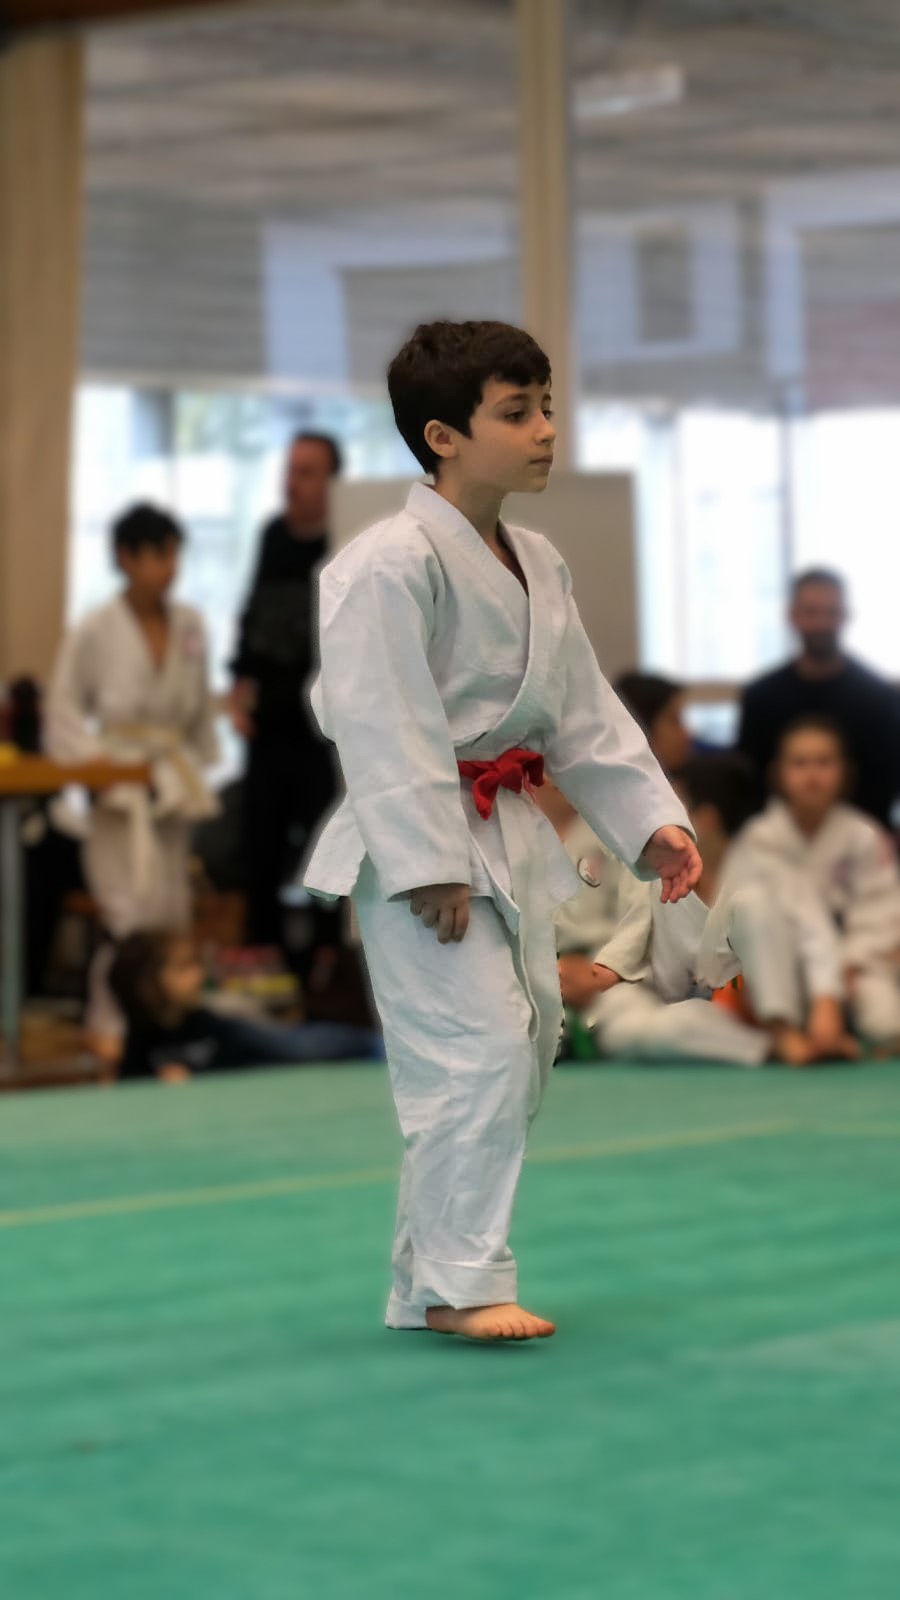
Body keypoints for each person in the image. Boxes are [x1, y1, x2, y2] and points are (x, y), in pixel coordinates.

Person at [302, 318, 701, 1343]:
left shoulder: (539, 562)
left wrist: (650, 824)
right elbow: (382, 722)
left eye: (546, 408)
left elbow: (583, 713)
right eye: (516, 413)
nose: (545, 430)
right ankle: (460, 1285)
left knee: (522, 1046)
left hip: (508, 829)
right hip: (420, 840)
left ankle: (426, 1278)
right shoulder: (384, 566)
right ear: (443, 436)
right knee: (472, 1050)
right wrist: (426, 864)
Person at [46, 504, 219, 1055]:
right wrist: (100, 766)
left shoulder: (189, 624)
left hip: (170, 781)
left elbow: (198, 711)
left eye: (174, 554)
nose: (169, 567)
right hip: (119, 787)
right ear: (126, 557)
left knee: (170, 912)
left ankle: (161, 1023)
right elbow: (62, 709)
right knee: (127, 915)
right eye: (158, 554)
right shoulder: (95, 629)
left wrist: (196, 765)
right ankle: (111, 1028)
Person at [559, 752, 857, 1067]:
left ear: (706, 818)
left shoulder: (771, 869)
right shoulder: (652, 873)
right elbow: (629, 945)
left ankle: (783, 1033)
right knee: (626, 1026)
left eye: (675, 804)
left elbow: (817, 941)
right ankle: (766, 1047)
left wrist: (826, 1008)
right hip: (694, 1013)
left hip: (776, 1001)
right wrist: (598, 974)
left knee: (753, 905)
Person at [230, 432, 342, 960]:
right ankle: (262, 960)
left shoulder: (343, 541)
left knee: (326, 852)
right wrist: (239, 687)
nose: (291, 482)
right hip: (268, 726)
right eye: (290, 469)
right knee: (260, 849)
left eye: (305, 472)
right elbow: (252, 616)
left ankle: (326, 965)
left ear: (332, 483)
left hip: (322, 735)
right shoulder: (273, 536)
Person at [730, 716, 900, 1052]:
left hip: (853, 970)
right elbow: (736, 922)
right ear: (779, 773)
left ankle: (846, 1036)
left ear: (844, 772)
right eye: (800, 763)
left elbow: (881, 917)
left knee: (884, 1020)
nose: (812, 775)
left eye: (824, 763)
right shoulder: (759, 838)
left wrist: (849, 962)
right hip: (778, 973)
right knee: (752, 904)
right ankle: (788, 1035)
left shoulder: (864, 837)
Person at [739, 569, 900, 827]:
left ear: (845, 616)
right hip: (777, 839)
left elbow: (885, 787)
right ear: (793, 616)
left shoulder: (880, 700)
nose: (822, 624)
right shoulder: (760, 699)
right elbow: (750, 786)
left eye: (831, 612)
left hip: (862, 841)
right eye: (811, 612)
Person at [108, 931, 383, 1082]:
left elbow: (225, 1065)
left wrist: (194, 1077)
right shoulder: (141, 1035)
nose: (199, 975)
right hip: (250, 1069)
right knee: (288, 1066)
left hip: (246, 1045)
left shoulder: (209, 1023)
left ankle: (371, 1043)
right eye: (183, 968)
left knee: (296, 1046)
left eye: (195, 964)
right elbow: (131, 1081)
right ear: (148, 985)